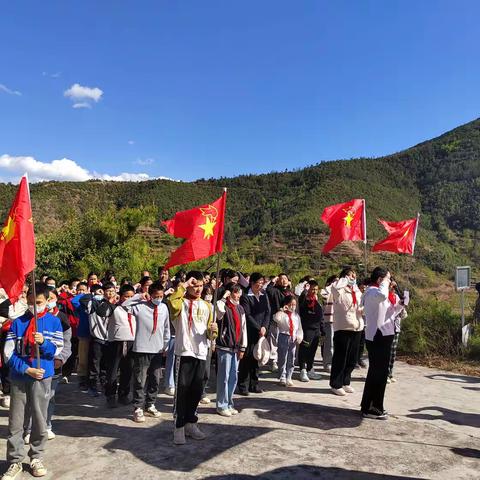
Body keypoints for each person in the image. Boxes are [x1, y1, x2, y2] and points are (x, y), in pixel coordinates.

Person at [2, 282, 64, 479]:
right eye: (30, 302)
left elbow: (58, 349)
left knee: (39, 419)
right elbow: (8, 353)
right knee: (16, 421)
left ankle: (36, 456)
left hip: (42, 377)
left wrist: (44, 343)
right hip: (21, 377)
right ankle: (15, 461)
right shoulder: (17, 322)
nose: (33, 306)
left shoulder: (54, 322)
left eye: (37, 302)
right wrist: (26, 369)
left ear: (47, 301)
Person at [167, 271, 218, 445]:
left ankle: (190, 423)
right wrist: (183, 285)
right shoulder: (180, 303)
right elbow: (171, 304)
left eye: (201, 285)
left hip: (201, 352)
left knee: (196, 390)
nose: (198, 288)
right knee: (182, 389)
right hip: (184, 351)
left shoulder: (208, 306)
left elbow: (211, 335)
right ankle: (178, 426)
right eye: (195, 285)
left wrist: (213, 330)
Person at [361, 267, 403, 420]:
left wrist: (400, 305)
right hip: (377, 336)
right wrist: (384, 283)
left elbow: (389, 314)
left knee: (381, 372)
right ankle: (371, 407)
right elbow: (381, 295)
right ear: (379, 280)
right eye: (388, 278)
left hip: (385, 334)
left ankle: (371, 405)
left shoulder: (381, 293)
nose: (391, 281)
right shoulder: (373, 292)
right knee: (377, 373)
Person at [130, 282, 170, 423]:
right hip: (142, 348)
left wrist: (166, 345)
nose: (158, 299)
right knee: (140, 379)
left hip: (158, 349)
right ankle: (138, 407)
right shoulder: (140, 306)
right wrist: (139, 296)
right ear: (150, 295)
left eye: (161, 296)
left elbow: (166, 327)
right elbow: (123, 306)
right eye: (156, 296)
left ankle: (150, 404)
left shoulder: (164, 307)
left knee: (155, 379)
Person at [329, 267, 364, 396]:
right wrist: (344, 279)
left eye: (354, 274)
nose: (353, 277)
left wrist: (363, 309)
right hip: (343, 328)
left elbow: (360, 305)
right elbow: (335, 288)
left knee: (352, 358)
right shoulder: (339, 289)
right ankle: (335, 384)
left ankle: (345, 381)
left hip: (357, 327)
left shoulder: (356, 291)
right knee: (340, 358)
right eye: (350, 275)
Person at [215, 284, 247, 416]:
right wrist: (223, 298)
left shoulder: (240, 308)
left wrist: (243, 346)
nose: (238, 295)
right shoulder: (223, 306)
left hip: (236, 347)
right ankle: (221, 405)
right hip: (225, 346)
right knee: (224, 377)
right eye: (235, 293)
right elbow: (218, 312)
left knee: (233, 377)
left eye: (239, 293)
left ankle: (229, 402)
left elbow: (243, 329)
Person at [104, 284, 137, 408]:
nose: (128, 299)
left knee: (127, 370)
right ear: (121, 296)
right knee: (113, 371)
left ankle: (124, 395)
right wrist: (111, 301)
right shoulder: (114, 308)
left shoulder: (135, 309)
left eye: (131, 297)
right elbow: (102, 312)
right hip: (116, 342)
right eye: (126, 296)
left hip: (131, 342)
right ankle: (110, 395)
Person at [238, 273, 270, 395]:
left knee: (257, 358)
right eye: (258, 282)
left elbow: (268, 311)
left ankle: (254, 384)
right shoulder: (246, 296)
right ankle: (243, 386)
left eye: (262, 283)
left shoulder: (263, 295)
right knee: (247, 359)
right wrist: (258, 328)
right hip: (250, 331)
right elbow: (247, 315)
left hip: (262, 331)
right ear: (252, 282)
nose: (260, 285)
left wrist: (265, 327)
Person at [266, 274, 293, 371]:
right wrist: (272, 281)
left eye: (286, 278)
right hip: (276, 319)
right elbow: (268, 290)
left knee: (284, 341)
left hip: (287, 320)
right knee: (274, 340)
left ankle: (283, 360)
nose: (284, 280)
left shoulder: (289, 292)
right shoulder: (275, 291)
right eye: (281, 279)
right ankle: (273, 361)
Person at [298, 280, 324, 382]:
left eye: (316, 289)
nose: (314, 291)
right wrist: (304, 290)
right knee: (304, 350)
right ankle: (302, 370)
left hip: (316, 330)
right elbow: (301, 299)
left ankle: (310, 369)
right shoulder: (304, 300)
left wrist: (322, 330)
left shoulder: (318, 301)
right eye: (312, 289)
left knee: (312, 351)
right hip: (307, 329)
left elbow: (321, 316)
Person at [274, 295, 303, 386]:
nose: (292, 306)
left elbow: (299, 328)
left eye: (294, 304)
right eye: (290, 304)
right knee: (283, 358)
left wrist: (299, 337)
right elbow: (276, 319)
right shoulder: (282, 314)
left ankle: (289, 376)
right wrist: (282, 310)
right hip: (284, 336)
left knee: (292, 358)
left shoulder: (296, 316)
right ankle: (282, 376)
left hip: (293, 338)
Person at [387, 278, 407, 384]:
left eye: (395, 286)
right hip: (386, 327)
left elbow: (402, 313)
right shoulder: (385, 297)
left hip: (396, 327)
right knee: (387, 351)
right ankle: (384, 373)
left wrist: (402, 306)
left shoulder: (397, 296)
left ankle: (390, 373)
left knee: (393, 353)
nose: (393, 288)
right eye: (391, 286)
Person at [70, 282, 90, 392]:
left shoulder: (92, 301)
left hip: (95, 334)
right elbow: (73, 301)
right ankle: (82, 379)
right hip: (83, 333)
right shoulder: (80, 305)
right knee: (83, 358)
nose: (81, 292)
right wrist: (82, 294)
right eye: (79, 290)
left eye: (84, 290)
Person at [320, 275, 337, 372]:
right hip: (329, 319)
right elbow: (323, 296)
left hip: (339, 320)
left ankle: (335, 362)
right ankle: (328, 363)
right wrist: (331, 287)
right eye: (335, 281)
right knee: (329, 342)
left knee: (336, 343)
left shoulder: (340, 292)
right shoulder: (326, 290)